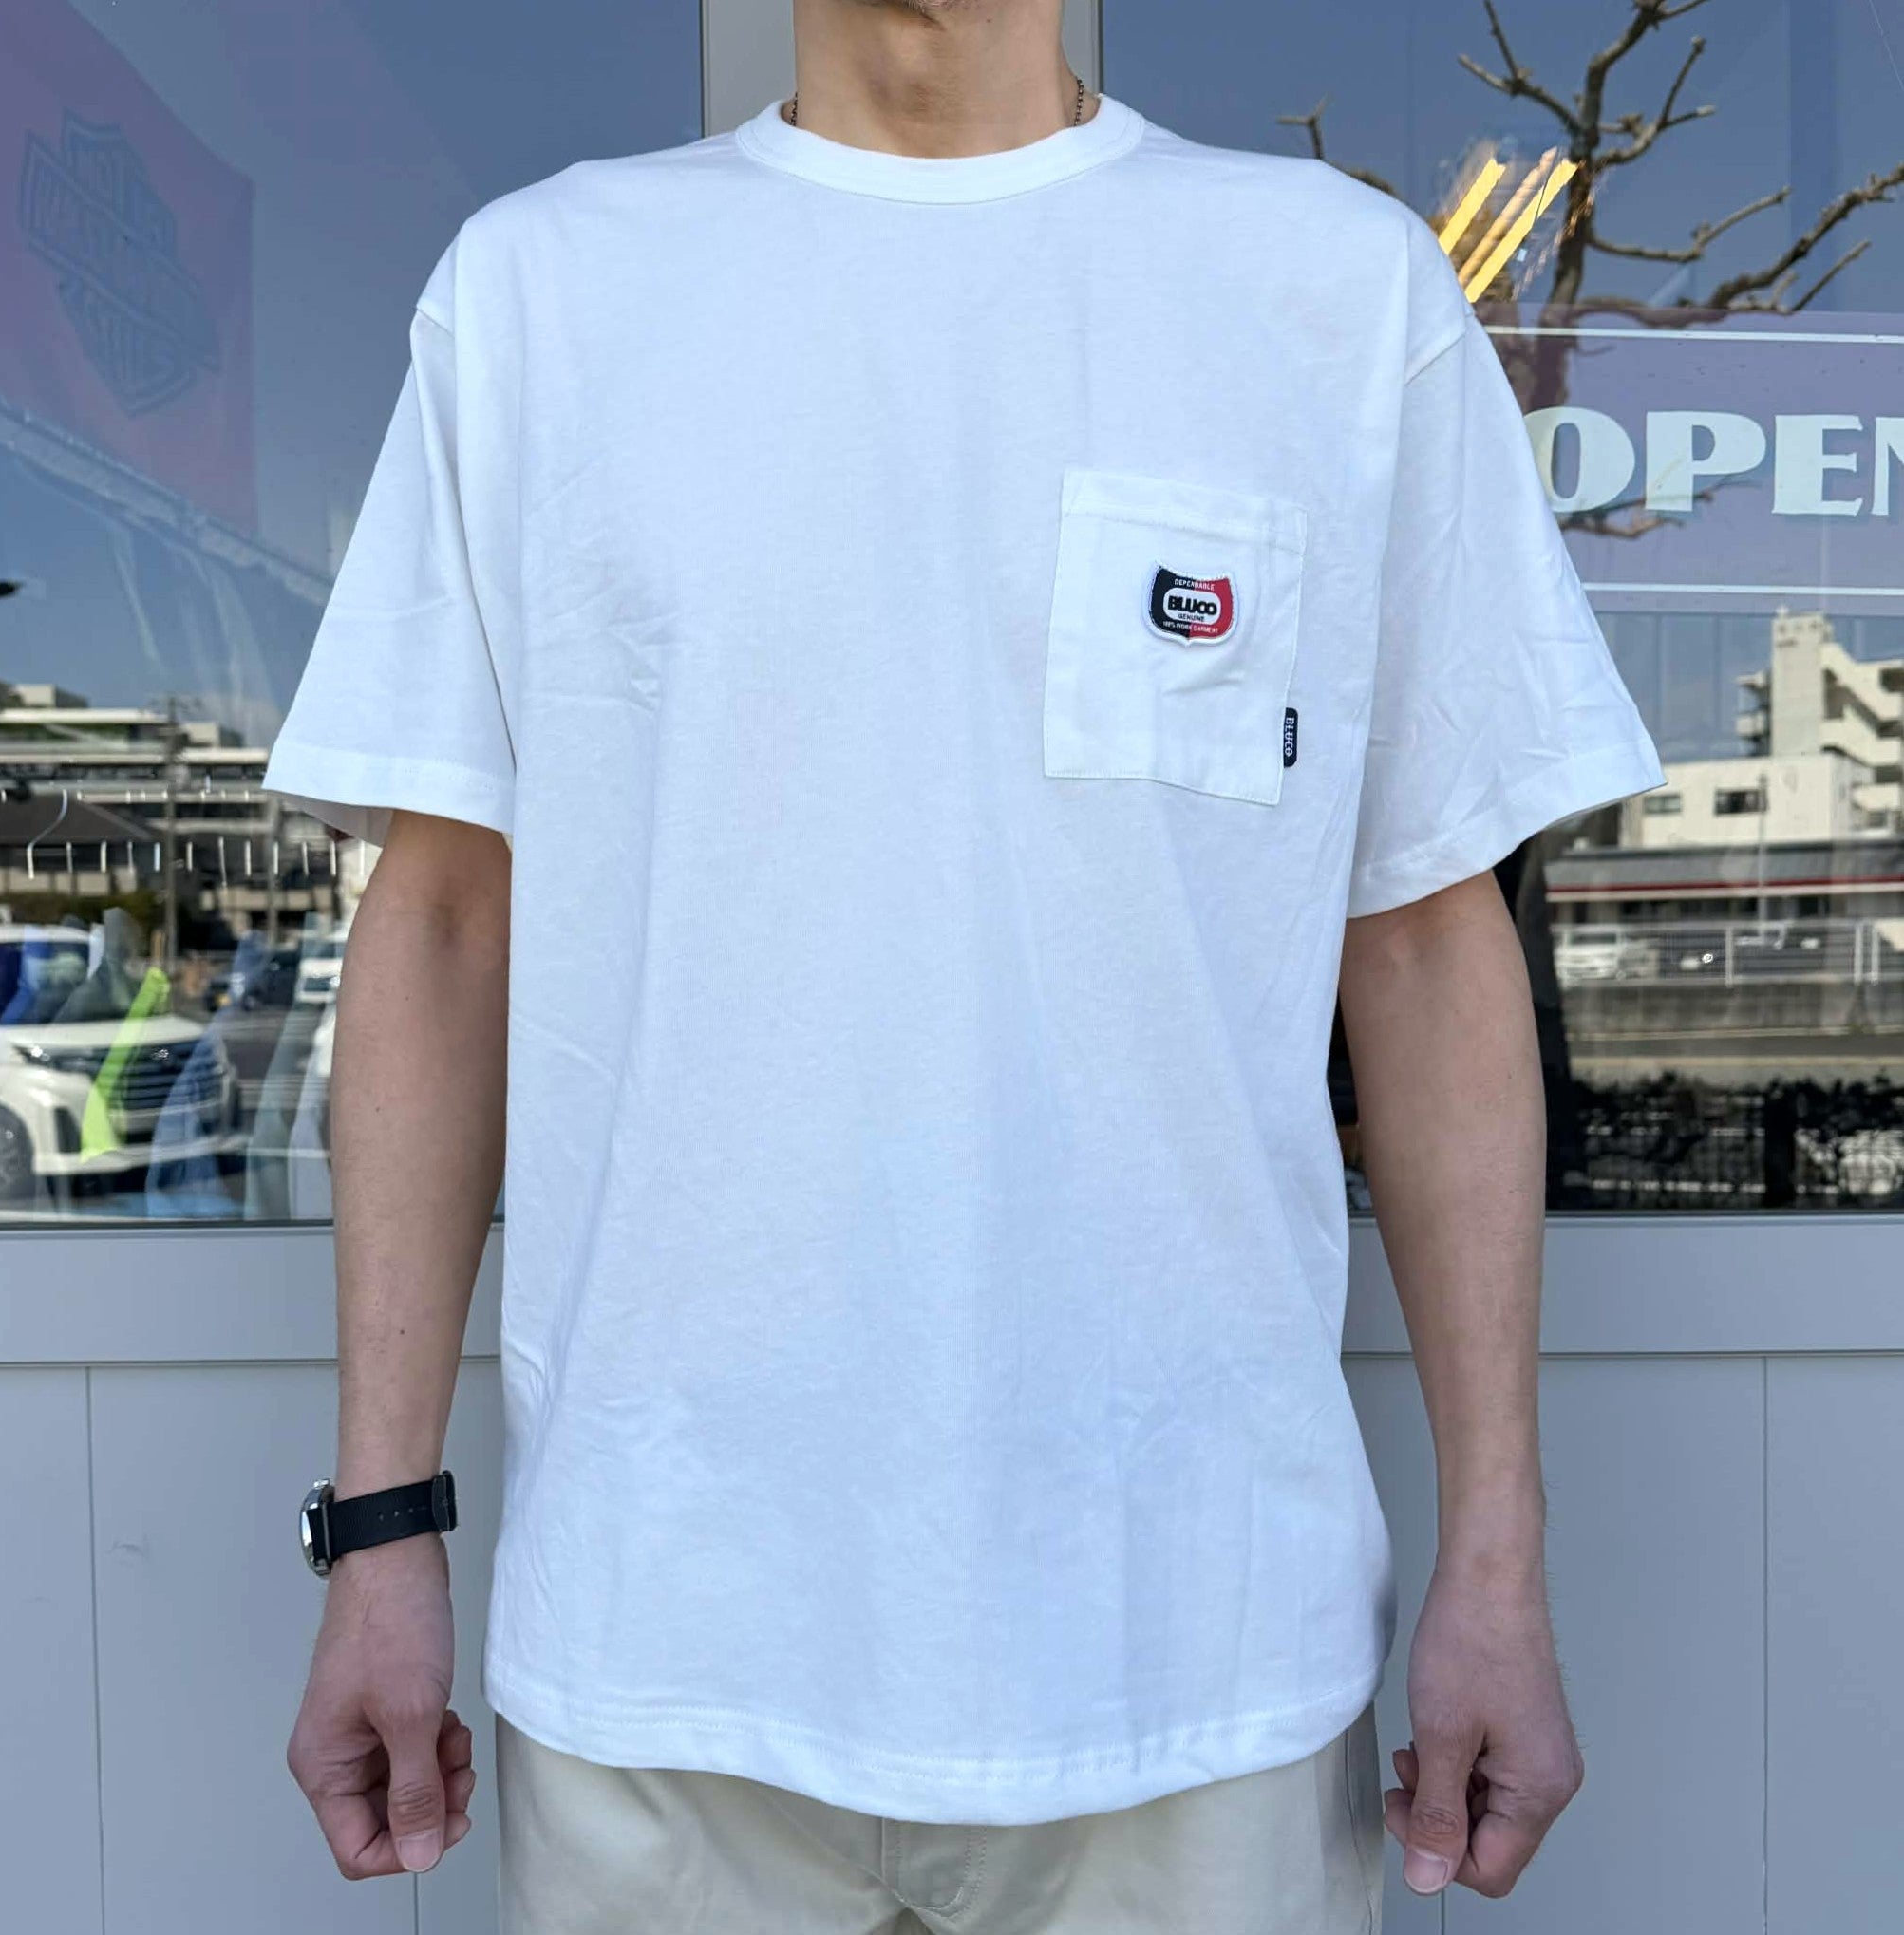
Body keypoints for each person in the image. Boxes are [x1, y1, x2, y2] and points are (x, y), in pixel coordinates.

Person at [270, 3, 1665, 1928]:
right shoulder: (542, 294)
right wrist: (382, 1526)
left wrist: (1494, 1557)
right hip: (665, 1645)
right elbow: (435, 928)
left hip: (1197, 1657)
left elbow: (1426, 942)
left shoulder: (1335, 297)